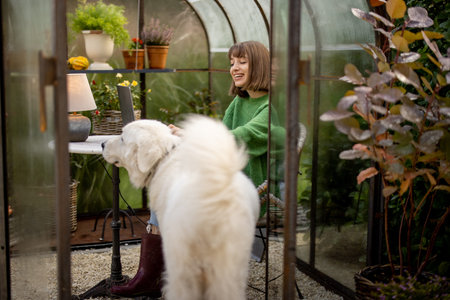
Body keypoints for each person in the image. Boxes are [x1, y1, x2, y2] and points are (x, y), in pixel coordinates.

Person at [111, 40, 284, 298]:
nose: (234, 68)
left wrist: (192, 135)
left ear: (258, 65)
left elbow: (238, 136)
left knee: (172, 193)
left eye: (242, 62)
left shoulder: (267, 109)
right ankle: (155, 274)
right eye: (232, 63)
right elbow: (222, 137)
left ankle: (152, 275)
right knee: (170, 187)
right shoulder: (240, 102)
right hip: (223, 178)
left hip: (245, 187)